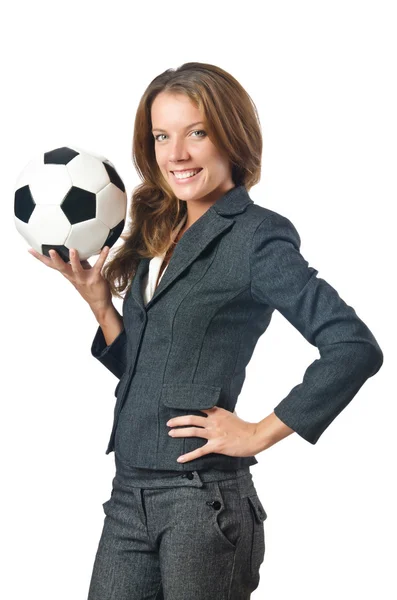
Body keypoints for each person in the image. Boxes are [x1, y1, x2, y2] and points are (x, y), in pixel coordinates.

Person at [28, 62, 383, 599]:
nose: (176, 155)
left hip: (202, 502)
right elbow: (154, 368)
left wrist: (259, 432)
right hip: (129, 494)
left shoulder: (257, 237)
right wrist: (102, 307)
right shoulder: (160, 228)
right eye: (162, 136)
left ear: (232, 137)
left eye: (197, 132)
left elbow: (353, 347)